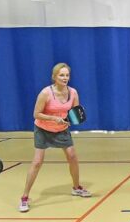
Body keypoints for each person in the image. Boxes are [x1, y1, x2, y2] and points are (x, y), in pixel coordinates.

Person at [19, 62, 92, 212]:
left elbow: (75, 113)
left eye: (67, 75)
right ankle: (25, 197)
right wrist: (54, 119)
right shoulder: (45, 93)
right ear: (54, 77)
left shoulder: (73, 93)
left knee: (72, 156)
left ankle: (76, 187)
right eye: (61, 75)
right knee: (38, 162)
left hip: (61, 129)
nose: (65, 78)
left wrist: (68, 122)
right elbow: (36, 114)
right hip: (43, 128)